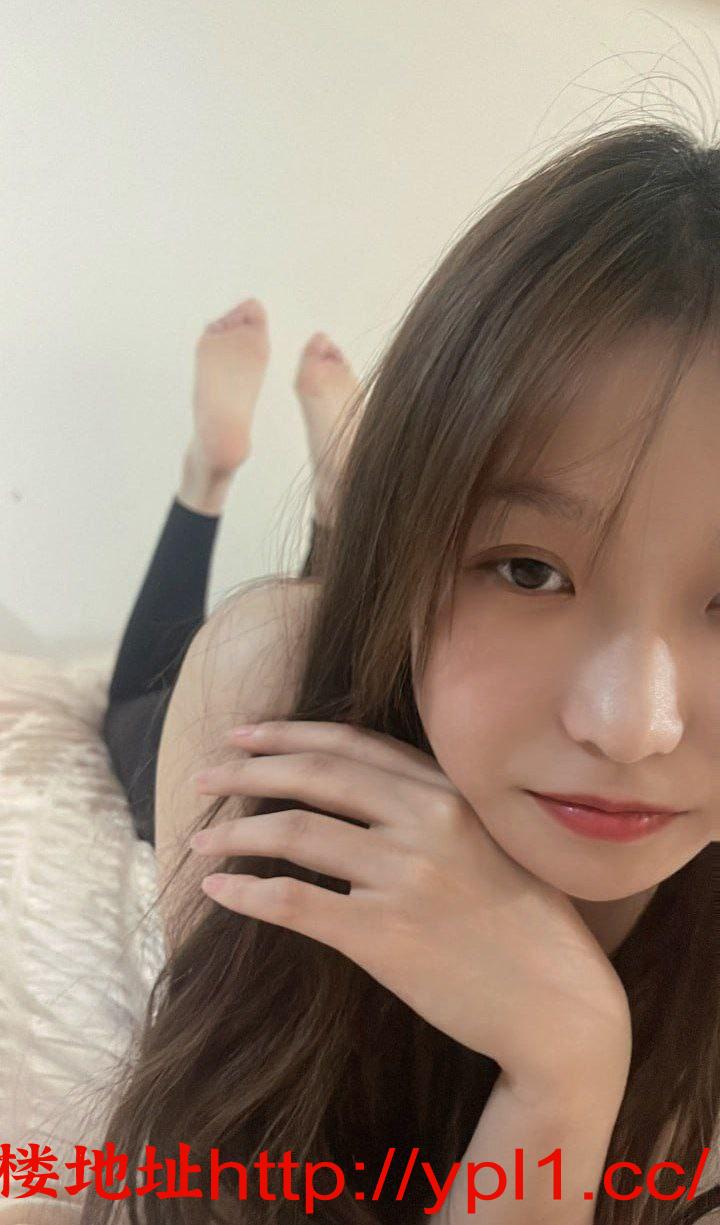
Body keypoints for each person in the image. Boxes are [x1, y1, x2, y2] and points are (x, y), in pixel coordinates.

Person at [81, 120, 720, 1225]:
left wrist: (563, 1075)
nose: (631, 726)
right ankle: (213, 476)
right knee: (131, 702)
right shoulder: (272, 688)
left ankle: (344, 487)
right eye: (528, 568)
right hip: (312, 681)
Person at [101, 303, 359, 846]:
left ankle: (207, 477)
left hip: (189, 766)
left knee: (142, 706)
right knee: (310, 685)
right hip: (321, 743)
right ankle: (338, 511)